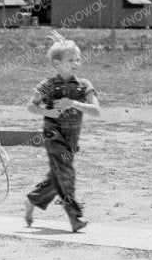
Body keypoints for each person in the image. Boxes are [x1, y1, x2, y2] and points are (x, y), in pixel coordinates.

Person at [25, 37, 100, 232]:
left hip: (72, 137)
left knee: (57, 175)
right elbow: (31, 106)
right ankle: (75, 217)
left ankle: (33, 200)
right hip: (53, 135)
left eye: (78, 59)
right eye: (71, 60)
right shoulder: (47, 85)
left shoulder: (84, 85)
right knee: (66, 175)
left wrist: (73, 103)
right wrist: (49, 112)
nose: (76, 64)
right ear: (57, 64)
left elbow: (96, 110)